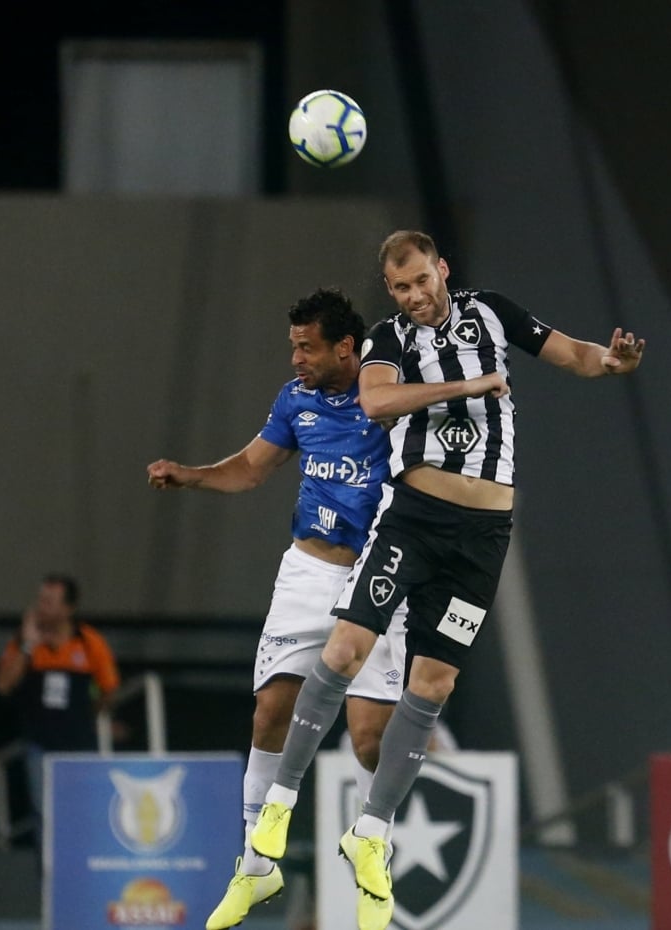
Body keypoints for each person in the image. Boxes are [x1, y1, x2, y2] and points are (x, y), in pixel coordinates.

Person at [249, 230, 646, 930]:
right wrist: (467, 385)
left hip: (485, 538)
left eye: (421, 282)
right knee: (342, 653)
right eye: (400, 288)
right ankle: (277, 809)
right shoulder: (387, 339)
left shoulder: (492, 313)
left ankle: (369, 833)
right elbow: (375, 404)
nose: (413, 297)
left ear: (443, 271)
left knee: (434, 687)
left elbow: (570, 353)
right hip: (415, 519)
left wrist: (610, 362)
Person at [146, 286, 406, 930]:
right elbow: (252, 469)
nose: (295, 358)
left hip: (378, 575)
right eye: (292, 346)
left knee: (372, 738)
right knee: (271, 712)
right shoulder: (296, 400)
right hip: (308, 573)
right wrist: (192, 474)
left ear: (346, 348)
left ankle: (373, 841)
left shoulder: (392, 393)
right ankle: (256, 866)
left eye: (306, 347)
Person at [0, 574, 120, 851]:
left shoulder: (88, 642)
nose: (42, 607)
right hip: (39, 747)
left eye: (50, 602)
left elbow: (109, 688)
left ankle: (80, 879)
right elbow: (3, 685)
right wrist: (28, 645)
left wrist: (92, 715)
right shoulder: (25, 643)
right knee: (46, 817)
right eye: (40, 600)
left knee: (82, 815)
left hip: (79, 748)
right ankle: (50, 884)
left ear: (68, 608)